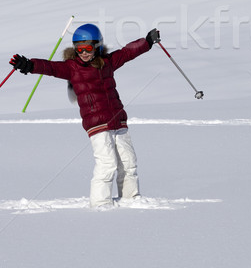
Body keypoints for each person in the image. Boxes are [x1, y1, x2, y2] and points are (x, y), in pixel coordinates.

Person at [9, 23, 160, 208]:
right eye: (79, 49)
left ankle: (131, 200)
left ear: (97, 46)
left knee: (128, 163)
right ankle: (100, 204)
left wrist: (147, 41)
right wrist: (29, 65)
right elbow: (50, 67)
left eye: (87, 48)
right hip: (97, 124)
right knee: (107, 164)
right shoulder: (72, 68)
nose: (83, 53)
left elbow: (128, 52)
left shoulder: (108, 62)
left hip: (118, 120)